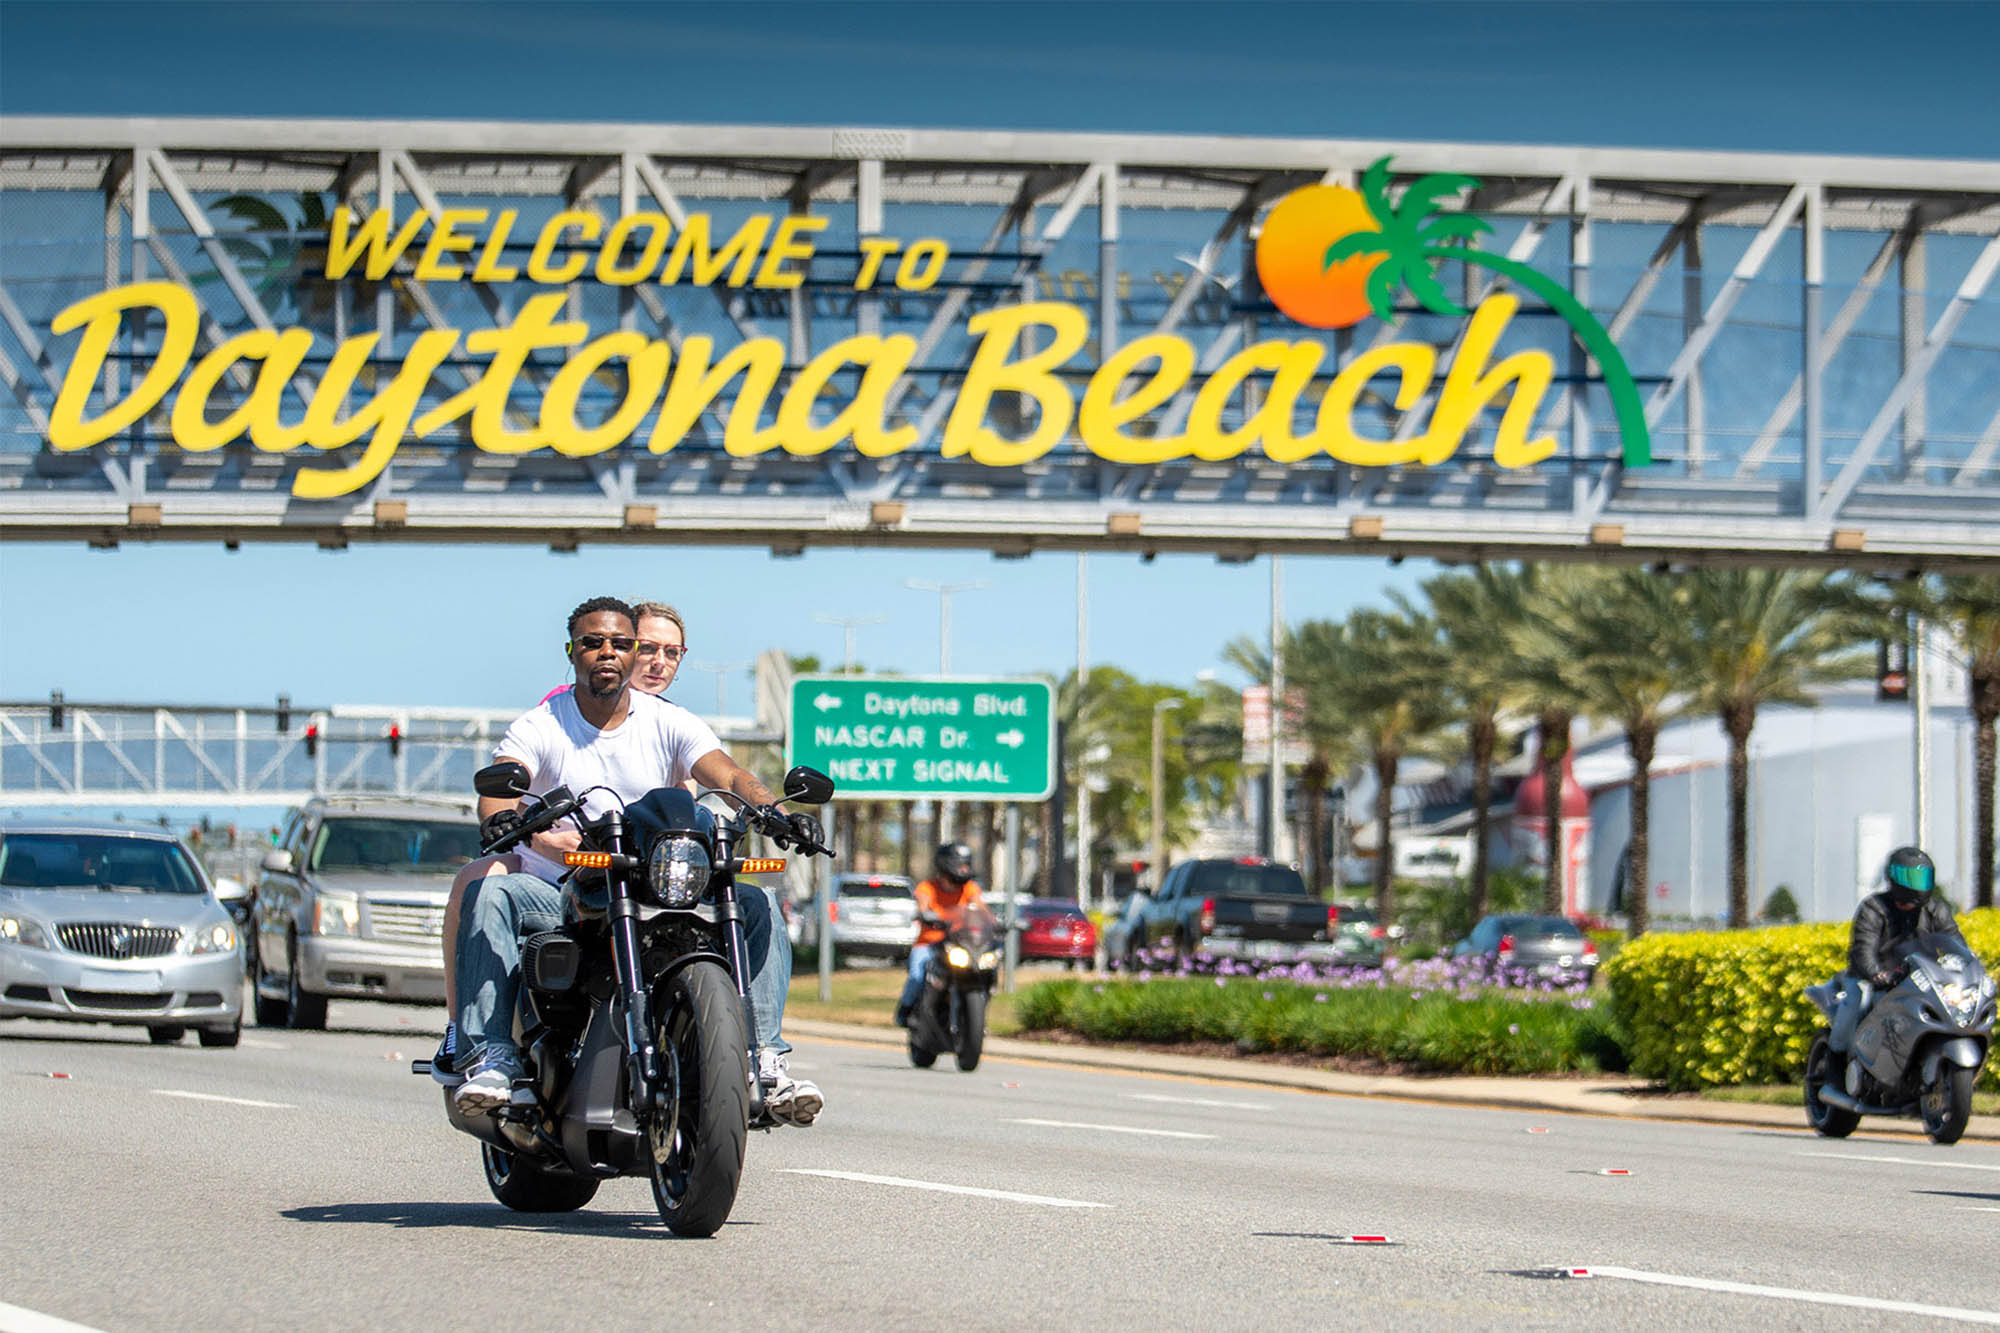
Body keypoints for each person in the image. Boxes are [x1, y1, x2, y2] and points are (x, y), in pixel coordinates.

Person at [444, 596, 824, 1126]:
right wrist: (501, 816)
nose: (608, 653)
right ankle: (492, 1056)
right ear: (572, 651)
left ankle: (763, 1059)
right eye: (594, 643)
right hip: (566, 886)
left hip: (659, 880)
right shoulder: (542, 724)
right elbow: (505, 776)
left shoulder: (669, 721)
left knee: (756, 902)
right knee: (493, 892)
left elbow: (730, 775)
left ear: (631, 652)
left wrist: (775, 811)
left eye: (621, 644)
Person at [1830, 845, 1964, 1052]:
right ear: (1893, 878)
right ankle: (1836, 1070)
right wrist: (1877, 974)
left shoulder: (1936, 909)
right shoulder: (1874, 907)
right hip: (1873, 980)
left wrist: (1965, 967)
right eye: (1910, 878)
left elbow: (1954, 941)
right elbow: (1863, 949)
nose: (1917, 885)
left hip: (1920, 981)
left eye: (1922, 878)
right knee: (1855, 1005)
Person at [895, 842, 986, 1028]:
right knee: (917, 975)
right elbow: (923, 906)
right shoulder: (927, 887)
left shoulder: (970, 888)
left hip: (960, 944)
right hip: (929, 944)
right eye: (960, 864)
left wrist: (995, 922)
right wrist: (926, 915)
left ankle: (976, 1020)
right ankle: (905, 1009)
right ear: (946, 865)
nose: (964, 869)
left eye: (966, 864)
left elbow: (982, 910)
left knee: (984, 969)